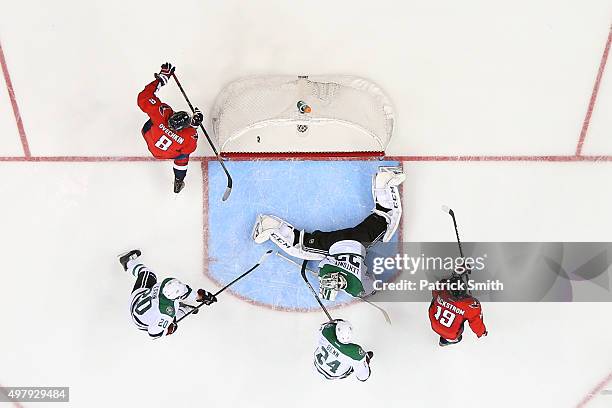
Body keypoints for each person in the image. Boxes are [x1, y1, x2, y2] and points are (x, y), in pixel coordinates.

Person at [252, 166, 405, 301]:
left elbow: (370, 286)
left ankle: (384, 181)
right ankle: (269, 225)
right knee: (301, 246)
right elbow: (325, 265)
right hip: (332, 244)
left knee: (386, 218)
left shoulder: (356, 288)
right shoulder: (328, 271)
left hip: (359, 240)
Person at [119, 249, 217, 339]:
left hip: (139, 298)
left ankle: (128, 262)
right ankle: (186, 310)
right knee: (171, 319)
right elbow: (153, 333)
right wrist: (168, 330)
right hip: (140, 320)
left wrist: (200, 296)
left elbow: (184, 292)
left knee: (148, 274)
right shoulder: (166, 314)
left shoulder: (167, 283)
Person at [137, 63, 203, 193]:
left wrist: (161, 79)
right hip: (168, 153)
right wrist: (194, 125)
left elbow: (143, 97)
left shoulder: (160, 115)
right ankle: (179, 180)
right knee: (184, 154)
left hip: (150, 139)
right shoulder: (188, 136)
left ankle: (178, 179)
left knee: (154, 120)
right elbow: (191, 146)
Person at [428, 274, 487, 346]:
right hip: (450, 334)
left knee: (435, 300)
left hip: (434, 325)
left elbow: (436, 290)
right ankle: (446, 340)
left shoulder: (442, 290)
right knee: (458, 337)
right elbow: (476, 324)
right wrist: (482, 332)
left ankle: (445, 336)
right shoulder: (469, 306)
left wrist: (447, 282)